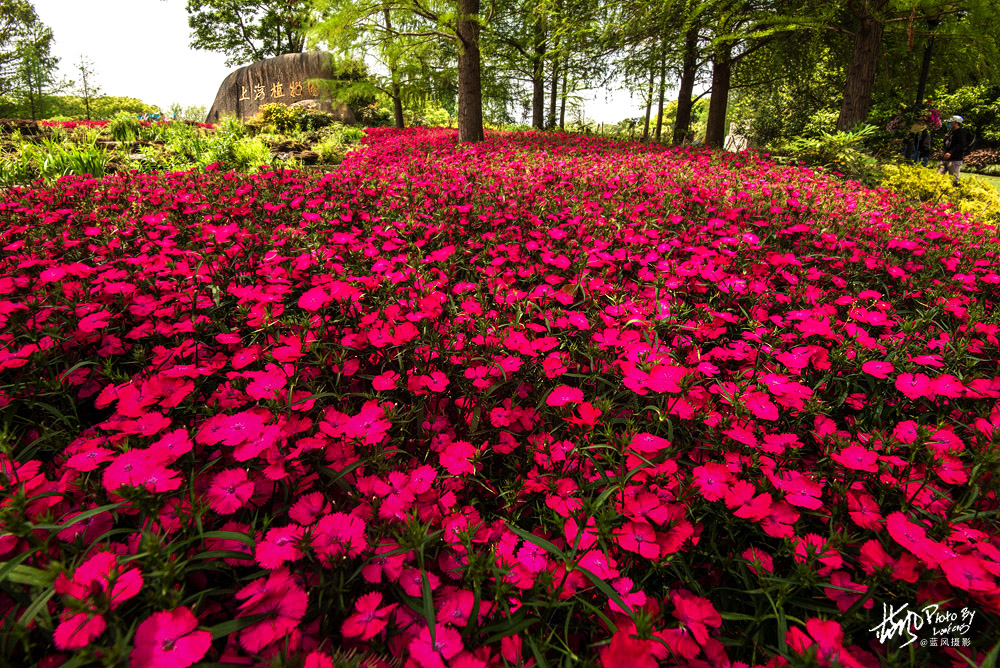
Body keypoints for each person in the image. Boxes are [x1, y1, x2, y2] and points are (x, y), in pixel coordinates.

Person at [938, 115, 974, 185]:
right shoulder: (951, 132)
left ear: (956, 123)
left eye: (950, 122)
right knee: (938, 177)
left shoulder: (961, 132)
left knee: (954, 180)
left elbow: (961, 145)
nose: (948, 124)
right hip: (945, 158)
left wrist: (951, 153)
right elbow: (948, 144)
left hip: (955, 159)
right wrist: (945, 138)